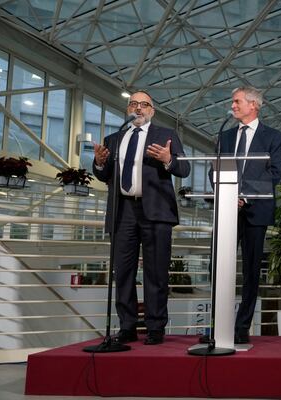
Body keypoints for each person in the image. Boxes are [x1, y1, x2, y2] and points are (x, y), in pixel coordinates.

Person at [93, 90, 190, 345]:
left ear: (152, 110)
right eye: (133, 104)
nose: (138, 108)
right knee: (123, 271)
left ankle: (155, 327)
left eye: (144, 104)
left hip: (156, 212)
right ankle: (127, 326)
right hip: (122, 211)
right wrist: (100, 163)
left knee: (156, 272)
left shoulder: (166, 135)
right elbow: (104, 176)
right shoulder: (113, 139)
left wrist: (168, 159)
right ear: (127, 109)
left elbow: (184, 169)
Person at [215, 86, 281, 344]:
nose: (232, 106)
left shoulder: (273, 137)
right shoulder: (226, 136)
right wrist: (227, 195)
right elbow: (216, 170)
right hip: (227, 212)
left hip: (256, 211)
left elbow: (274, 173)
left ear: (253, 105)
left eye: (237, 102)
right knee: (218, 267)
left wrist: (243, 195)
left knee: (251, 271)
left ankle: (241, 327)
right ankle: (219, 323)